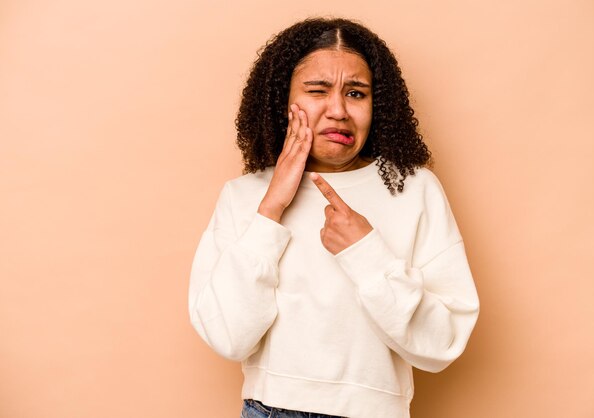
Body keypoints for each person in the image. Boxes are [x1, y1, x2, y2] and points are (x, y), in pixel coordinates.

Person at [189, 17, 479, 418]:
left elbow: (444, 342)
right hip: (270, 410)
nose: (339, 111)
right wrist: (271, 209)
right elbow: (227, 337)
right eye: (317, 90)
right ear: (281, 101)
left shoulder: (413, 189)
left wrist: (365, 252)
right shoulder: (245, 196)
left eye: (356, 93)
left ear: (377, 105)